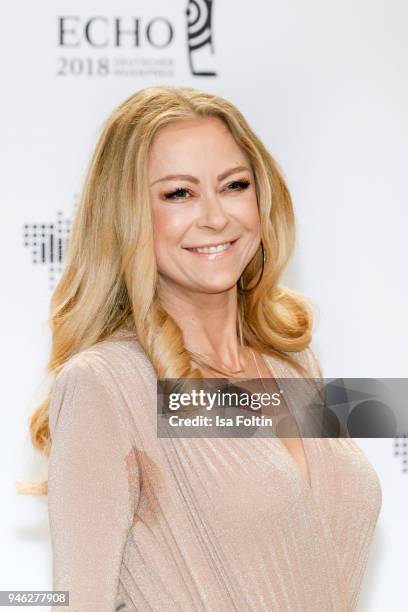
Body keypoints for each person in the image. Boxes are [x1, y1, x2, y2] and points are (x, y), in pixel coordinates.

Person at [26, 86, 381, 611]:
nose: (215, 217)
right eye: (178, 194)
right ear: (126, 216)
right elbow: (78, 601)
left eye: (234, 185)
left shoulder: (293, 361)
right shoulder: (108, 383)